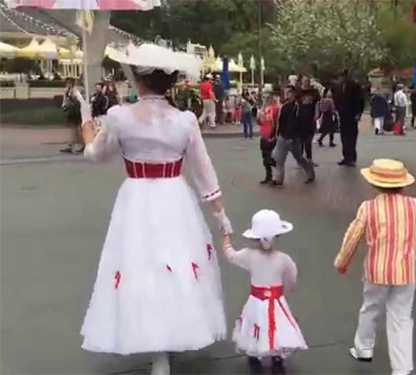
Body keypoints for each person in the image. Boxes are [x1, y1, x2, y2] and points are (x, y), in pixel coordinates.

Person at [77, 43, 233, 375]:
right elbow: (203, 170)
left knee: (140, 264)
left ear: (138, 78)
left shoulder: (120, 116)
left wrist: (86, 121)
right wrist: (219, 213)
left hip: (136, 197)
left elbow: (95, 155)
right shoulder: (185, 120)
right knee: (175, 263)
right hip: (175, 196)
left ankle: (154, 344)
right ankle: (171, 336)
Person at [335, 159, 416, 375]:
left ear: (374, 184)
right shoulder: (413, 205)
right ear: (403, 184)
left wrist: (342, 262)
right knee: (401, 317)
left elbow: (352, 237)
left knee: (370, 307)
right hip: (404, 272)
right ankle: (401, 368)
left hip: (376, 270)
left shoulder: (368, 208)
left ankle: (363, 347)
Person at [222, 209, 308, 372]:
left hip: (256, 300)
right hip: (276, 301)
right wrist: (287, 288)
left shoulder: (248, 255)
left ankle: (254, 354)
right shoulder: (284, 259)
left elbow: (231, 255)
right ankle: (276, 355)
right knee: (277, 326)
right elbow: (292, 276)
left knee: (254, 324)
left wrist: (226, 239)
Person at [270, 86, 316, 186]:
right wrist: (277, 134)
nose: (286, 94)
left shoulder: (298, 107)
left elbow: (299, 123)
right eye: (285, 92)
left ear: (294, 94)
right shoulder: (284, 106)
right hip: (283, 136)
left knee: (299, 157)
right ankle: (278, 179)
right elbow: (280, 121)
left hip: (293, 138)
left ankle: (310, 173)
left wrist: (296, 136)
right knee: (279, 159)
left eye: (289, 92)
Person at [333, 70, 365, 167]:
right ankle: (346, 156)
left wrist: (359, 113)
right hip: (343, 114)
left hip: (352, 114)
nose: (341, 79)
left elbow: (360, 100)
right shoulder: (338, 87)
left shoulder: (354, 86)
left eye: (343, 77)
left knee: (351, 136)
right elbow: (336, 99)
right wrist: (337, 109)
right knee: (344, 136)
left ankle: (351, 157)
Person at [258, 92, 281, 184]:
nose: (265, 100)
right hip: (264, 135)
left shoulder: (276, 108)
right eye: (264, 97)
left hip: (271, 136)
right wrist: (259, 116)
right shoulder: (263, 109)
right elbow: (259, 121)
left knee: (270, 158)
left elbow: (278, 122)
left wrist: (274, 135)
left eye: (268, 98)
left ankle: (277, 175)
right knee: (265, 159)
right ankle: (268, 176)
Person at [296, 79, 320, 164]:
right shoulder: (299, 91)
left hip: (310, 118)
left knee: (308, 139)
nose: (306, 83)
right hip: (300, 118)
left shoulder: (314, 92)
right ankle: (301, 159)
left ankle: (309, 159)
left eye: (307, 81)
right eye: (304, 81)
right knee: (300, 140)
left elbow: (317, 103)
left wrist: (317, 114)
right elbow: (295, 104)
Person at [60, 78, 83, 154]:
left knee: (75, 128)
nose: (66, 85)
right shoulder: (68, 91)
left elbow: (79, 100)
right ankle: (77, 144)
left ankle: (75, 145)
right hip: (71, 110)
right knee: (75, 128)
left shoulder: (75, 91)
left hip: (74, 111)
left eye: (68, 83)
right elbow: (65, 101)